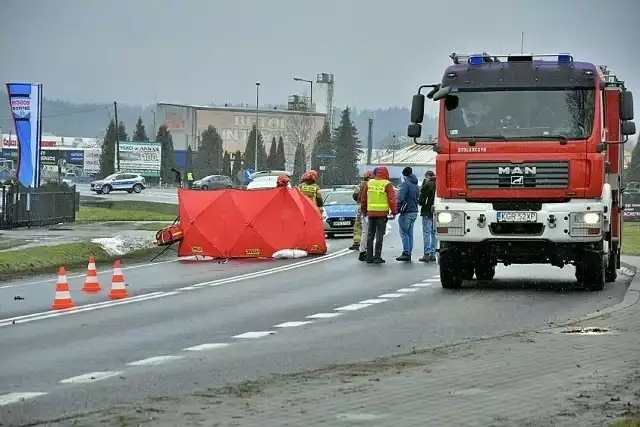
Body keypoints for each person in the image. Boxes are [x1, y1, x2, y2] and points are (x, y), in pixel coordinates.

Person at [360, 166, 398, 264]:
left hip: (371, 213)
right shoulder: (387, 184)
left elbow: (363, 199)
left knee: (370, 235)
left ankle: (369, 257)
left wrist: (364, 211)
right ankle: (377, 257)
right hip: (382, 214)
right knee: (379, 235)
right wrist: (394, 212)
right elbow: (391, 200)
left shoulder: (369, 183)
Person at [396, 167, 420, 262]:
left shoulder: (405, 184)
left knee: (404, 233)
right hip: (414, 210)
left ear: (404, 175)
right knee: (410, 233)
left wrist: (397, 209)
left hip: (406, 211)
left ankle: (406, 252)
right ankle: (409, 252)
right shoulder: (415, 185)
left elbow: (401, 198)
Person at [350, 170, 373, 251]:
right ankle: (368, 244)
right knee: (370, 227)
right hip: (372, 208)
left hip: (362, 207)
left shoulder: (361, 185)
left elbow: (355, 195)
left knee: (359, 225)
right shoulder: (374, 184)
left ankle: (357, 242)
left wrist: (359, 201)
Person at [418, 170, 437, 262]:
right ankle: (433, 254)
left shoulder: (427, 185)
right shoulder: (439, 184)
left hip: (427, 211)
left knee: (426, 233)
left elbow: (421, 200)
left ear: (428, 177)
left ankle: (426, 254)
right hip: (437, 212)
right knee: (434, 233)